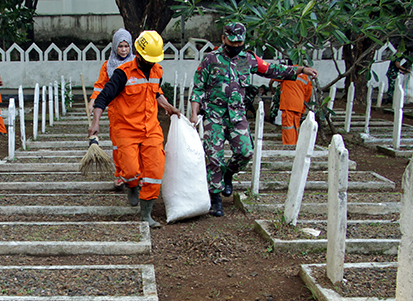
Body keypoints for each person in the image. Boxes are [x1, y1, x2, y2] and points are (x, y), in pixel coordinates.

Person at [190, 22, 318, 217]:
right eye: (232, 42)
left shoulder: (248, 60)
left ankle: (228, 174)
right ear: (224, 39)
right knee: (214, 156)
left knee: (245, 151)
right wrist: (194, 112)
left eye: (239, 42)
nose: (236, 46)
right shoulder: (210, 59)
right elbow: (198, 87)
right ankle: (215, 199)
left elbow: (273, 70)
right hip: (214, 115)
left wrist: (300, 70)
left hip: (237, 115)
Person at [88, 30, 181, 228]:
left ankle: (146, 214)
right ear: (138, 53)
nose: (150, 63)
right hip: (126, 128)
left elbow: (156, 92)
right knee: (130, 170)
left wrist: (168, 106)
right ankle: (131, 185)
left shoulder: (157, 70)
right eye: (147, 59)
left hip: (151, 128)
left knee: (155, 171)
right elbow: (103, 97)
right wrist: (95, 122)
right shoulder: (123, 73)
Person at [89, 28, 135, 189]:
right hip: (116, 111)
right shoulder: (108, 66)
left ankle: (135, 174)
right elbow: (100, 86)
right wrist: (93, 101)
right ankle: (120, 173)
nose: (123, 50)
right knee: (117, 145)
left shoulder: (136, 63)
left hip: (135, 111)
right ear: (115, 46)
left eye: (126, 46)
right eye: (120, 46)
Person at [273, 69, 313, 145]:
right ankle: (295, 143)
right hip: (299, 105)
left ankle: (289, 145)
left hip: (288, 103)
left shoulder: (287, 72)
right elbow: (308, 93)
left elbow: (274, 76)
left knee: (288, 126)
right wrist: (303, 107)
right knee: (295, 126)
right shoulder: (305, 76)